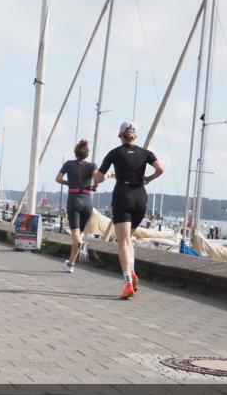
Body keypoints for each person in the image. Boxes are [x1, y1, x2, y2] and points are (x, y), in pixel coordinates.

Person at [93, 121, 164, 299]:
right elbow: (161, 169)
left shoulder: (114, 153)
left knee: (122, 241)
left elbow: (99, 178)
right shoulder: (146, 153)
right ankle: (131, 271)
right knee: (128, 239)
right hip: (140, 197)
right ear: (135, 136)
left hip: (123, 196)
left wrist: (96, 177)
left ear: (120, 136)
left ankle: (128, 283)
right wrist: (149, 178)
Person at [55, 139, 96, 273]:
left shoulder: (68, 164)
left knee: (76, 236)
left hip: (74, 201)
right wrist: (94, 185)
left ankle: (82, 245)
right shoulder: (92, 166)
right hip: (87, 202)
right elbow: (97, 178)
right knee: (79, 236)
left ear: (75, 152)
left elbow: (58, 179)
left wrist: (70, 183)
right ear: (87, 154)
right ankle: (71, 264)